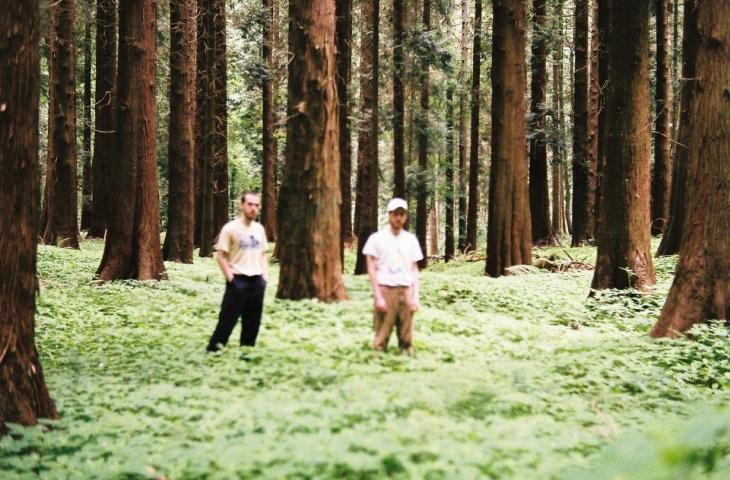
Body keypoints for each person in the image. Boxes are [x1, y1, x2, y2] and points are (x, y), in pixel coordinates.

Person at [206, 192, 269, 352]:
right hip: (237, 281)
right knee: (227, 319)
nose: (253, 208)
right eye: (250, 204)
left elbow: (263, 254)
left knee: (252, 322)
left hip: (257, 281)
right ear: (242, 205)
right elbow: (221, 256)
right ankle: (213, 351)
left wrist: (264, 277)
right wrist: (231, 278)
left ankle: (247, 354)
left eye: (256, 205)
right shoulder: (230, 228)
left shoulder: (259, 229)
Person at [362, 198, 424, 354]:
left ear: (406, 216)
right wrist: (378, 296)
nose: (399, 218)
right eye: (395, 214)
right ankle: (379, 357)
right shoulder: (376, 239)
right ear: (389, 215)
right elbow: (371, 268)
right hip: (386, 288)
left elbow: (414, 269)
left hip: (406, 289)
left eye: (402, 214)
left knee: (406, 331)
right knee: (382, 329)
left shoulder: (411, 240)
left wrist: (415, 297)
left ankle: (406, 356)